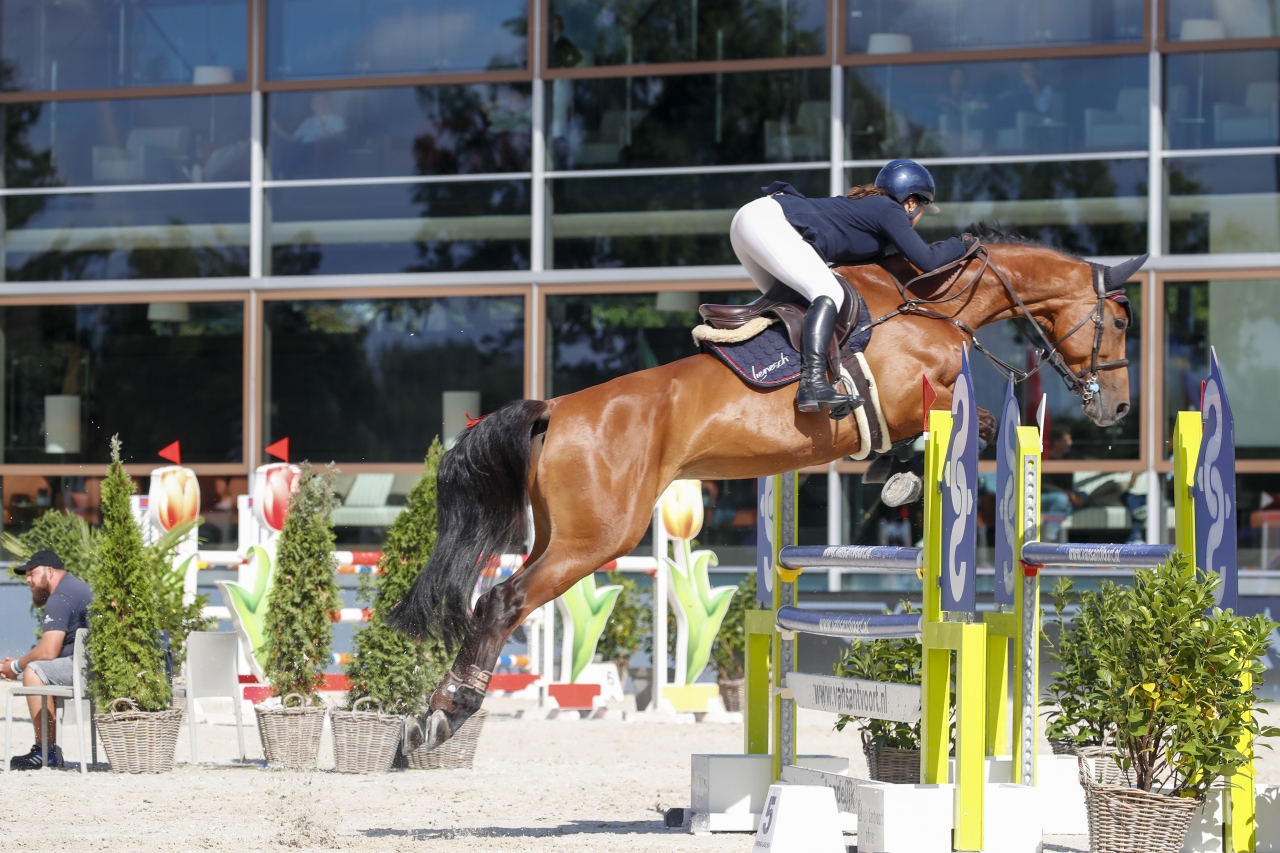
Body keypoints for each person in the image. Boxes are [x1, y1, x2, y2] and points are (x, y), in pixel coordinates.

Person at [729, 158, 973, 417]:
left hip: (750, 223)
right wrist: (963, 243)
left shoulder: (871, 214)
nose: (919, 217)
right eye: (922, 208)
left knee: (796, 306)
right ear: (912, 202)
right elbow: (927, 260)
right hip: (766, 221)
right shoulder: (889, 209)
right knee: (829, 293)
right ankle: (812, 384)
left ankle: (780, 375)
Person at [0, 550, 93, 770]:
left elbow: (48, 651)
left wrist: (14, 666)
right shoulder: (75, 586)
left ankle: (45, 752)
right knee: (37, 667)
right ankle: (48, 750)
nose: (28, 580)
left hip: (86, 669)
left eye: (32, 573)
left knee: (34, 671)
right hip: (92, 665)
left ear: (50, 571)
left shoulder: (60, 596)